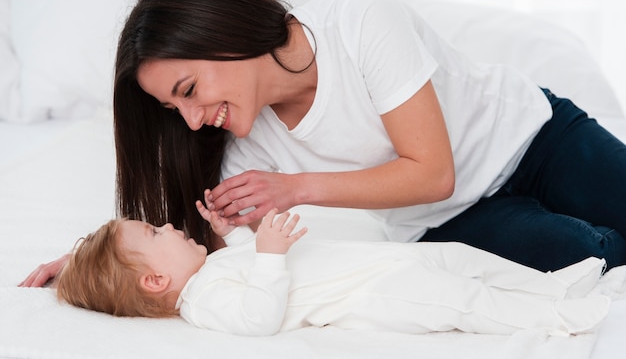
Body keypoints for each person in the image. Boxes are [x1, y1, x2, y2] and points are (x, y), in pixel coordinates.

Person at [19, 0, 626, 287]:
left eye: (189, 91)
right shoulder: (238, 140)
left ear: (221, 35)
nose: (195, 118)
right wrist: (89, 263)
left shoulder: (356, 20)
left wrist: (295, 187)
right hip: (449, 220)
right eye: (176, 112)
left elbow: (432, 170)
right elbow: (180, 242)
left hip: (535, 137)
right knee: (591, 257)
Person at [56, 198, 610, 337]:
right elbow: (257, 315)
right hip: (378, 293)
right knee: (460, 300)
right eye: (157, 235)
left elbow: (247, 262)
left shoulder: (214, 268)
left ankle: (551, 286)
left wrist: (235, 235)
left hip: (385, 261)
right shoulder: (202, 303)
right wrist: (269, 253)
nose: (171, 228)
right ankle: (557, 320)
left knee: (463, 259)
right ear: (156, 282)